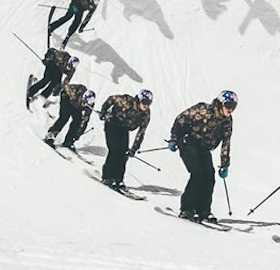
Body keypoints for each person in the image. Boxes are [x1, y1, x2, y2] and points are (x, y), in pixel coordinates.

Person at [168, 89, 237, 223]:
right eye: (228, 105)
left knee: (209, 175)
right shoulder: (203, 110)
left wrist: (224, 164)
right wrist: (174, 138)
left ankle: (203, 211)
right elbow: (181, 119)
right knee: (198, 172)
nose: (230, 110)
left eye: (233, 107)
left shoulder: (227, 121)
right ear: (220, 103)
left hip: (204, 148)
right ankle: (187, 208)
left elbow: (226, 142)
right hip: (189, 143)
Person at [100, 89, 154, 189]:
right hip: (112, 124)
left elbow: (141, 132)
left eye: (149, 103)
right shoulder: (126, 101)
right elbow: (111, 99)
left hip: (124, 128)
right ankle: (107, 176)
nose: (146, 106)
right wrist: (103, 111)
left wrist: (134, 148)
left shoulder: (145, 114)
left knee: (124, 153)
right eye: (144, 102)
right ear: (139, 99)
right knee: (115, 149)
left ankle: (118, 179)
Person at [45, 83, 96, 149]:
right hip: (67, 99)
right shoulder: (77, 90)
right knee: (64, 117)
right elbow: (65, 86)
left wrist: (79, 132)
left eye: (86, 104)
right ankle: (51, 134)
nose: (85, 104)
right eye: (84, 102)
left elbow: (86, 118)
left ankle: (69, 140)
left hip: (76, 106)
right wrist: (58, 89)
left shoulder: (90, 104)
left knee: (78, 120)